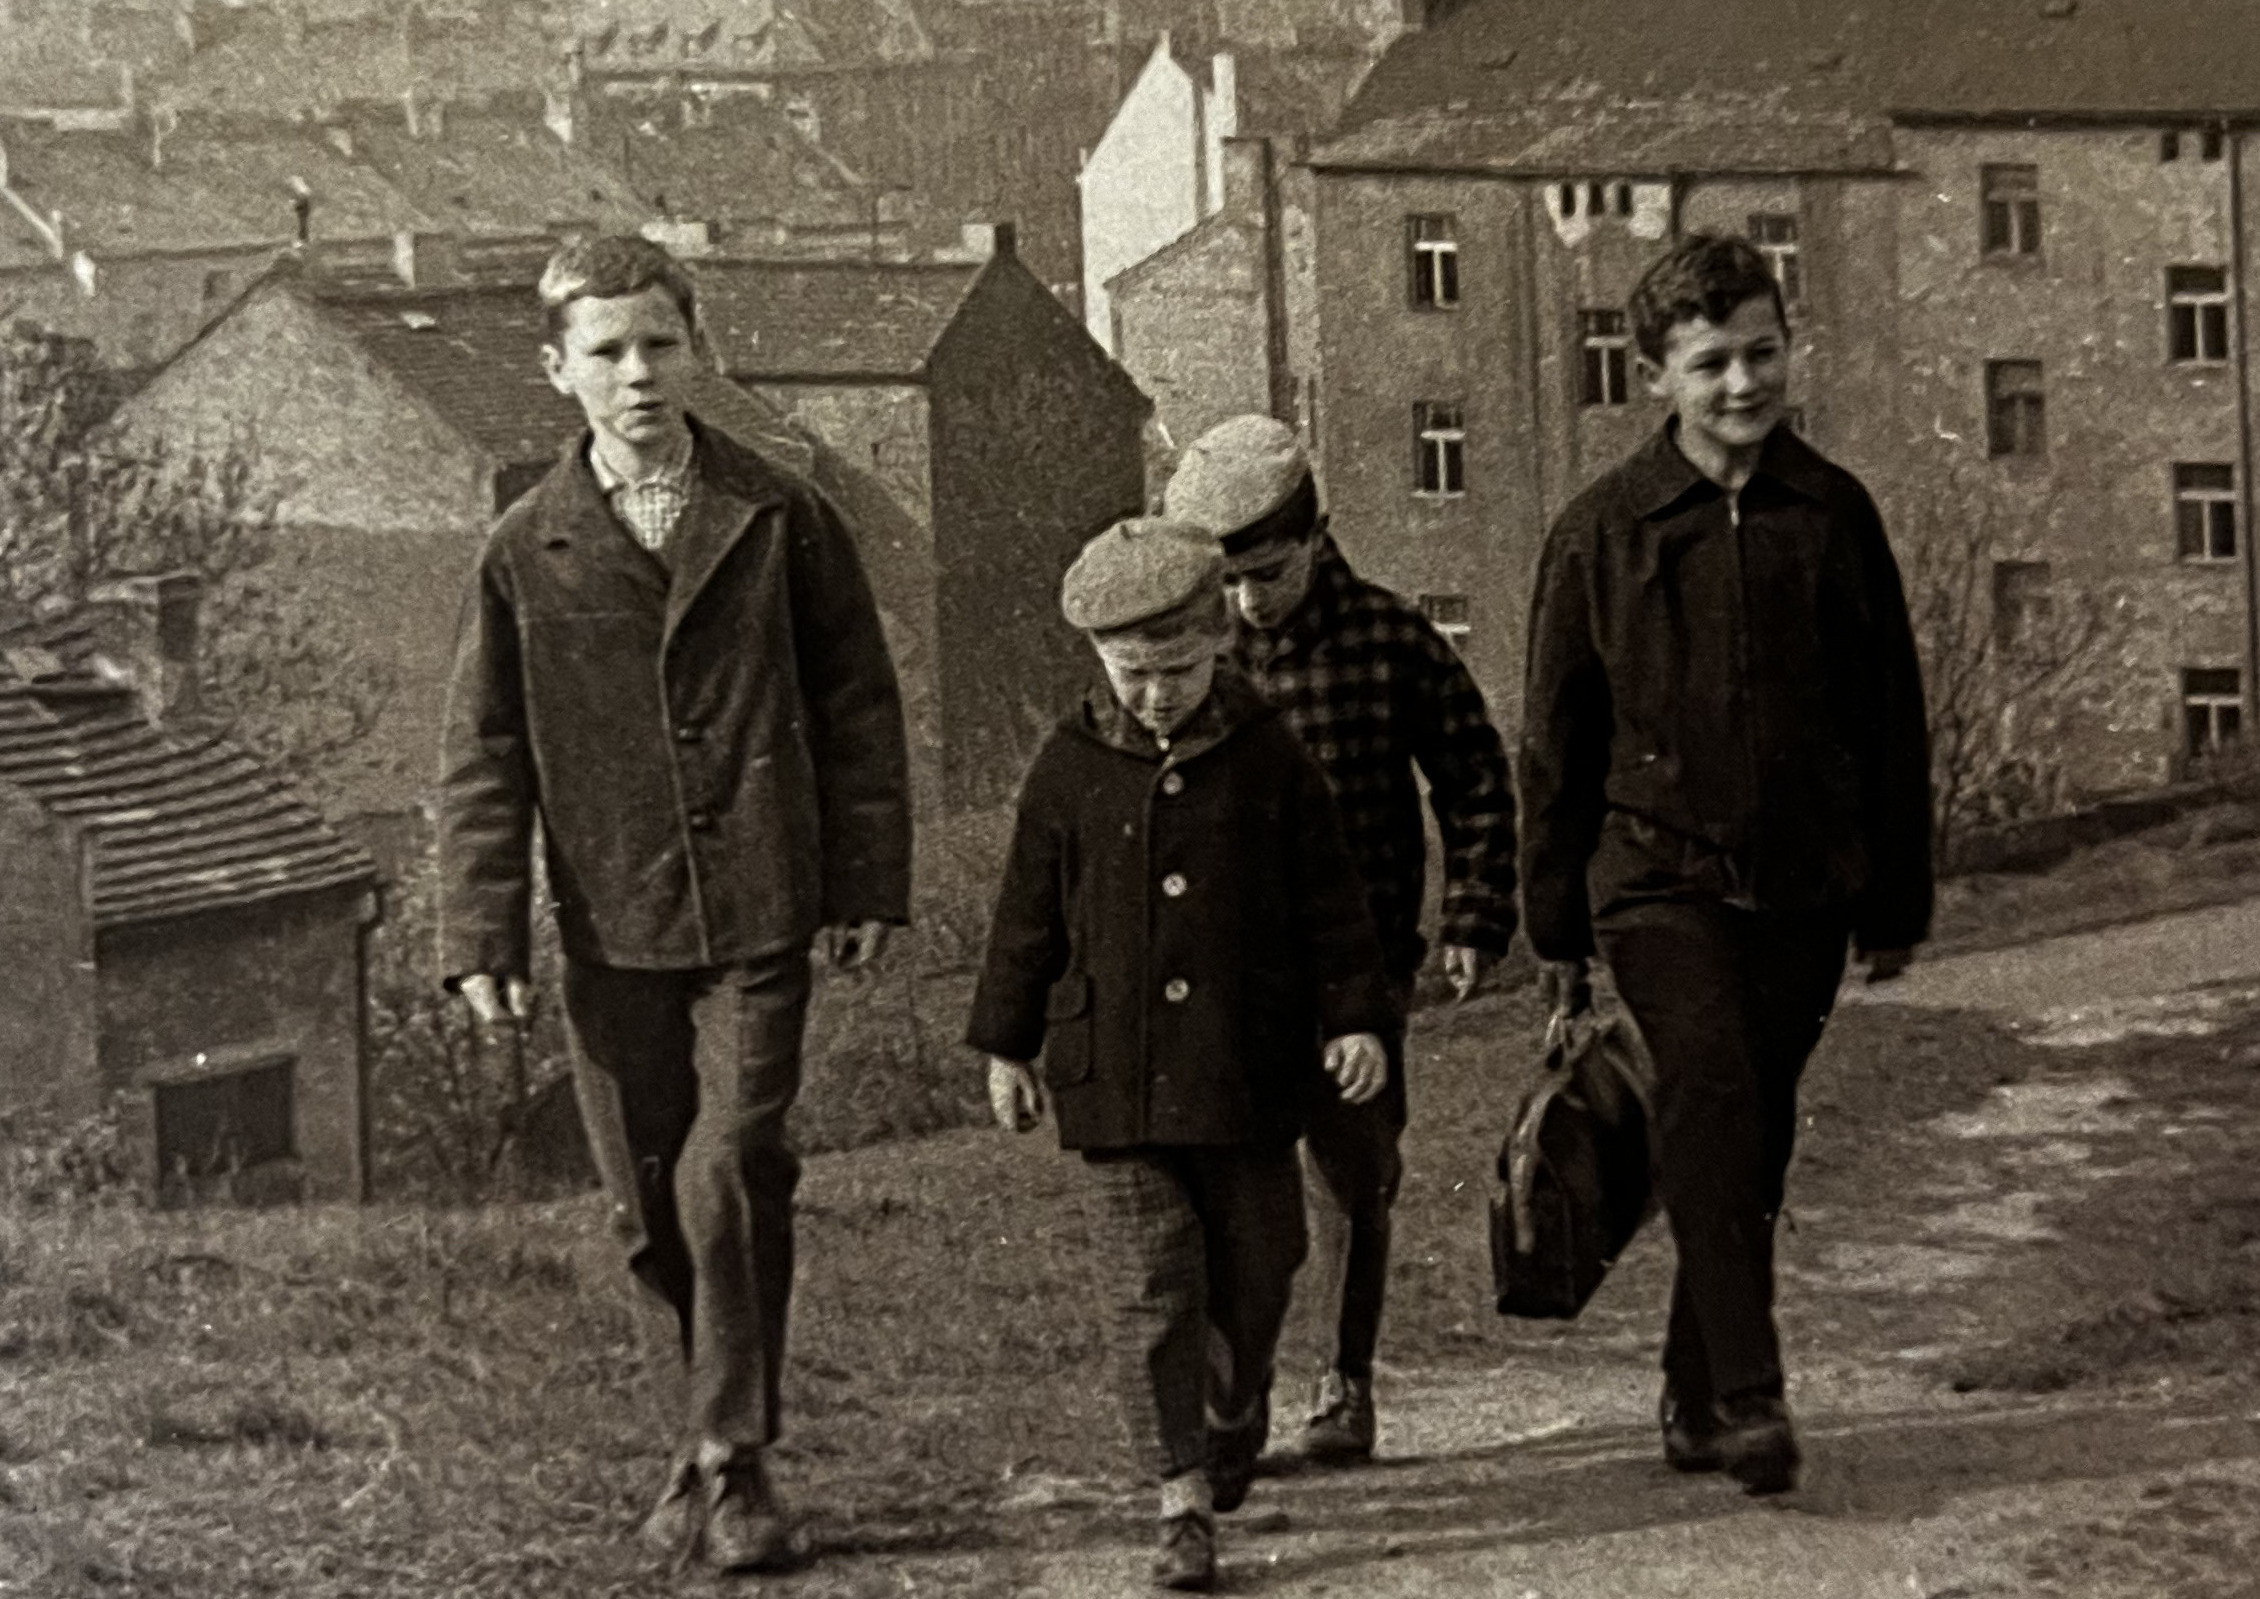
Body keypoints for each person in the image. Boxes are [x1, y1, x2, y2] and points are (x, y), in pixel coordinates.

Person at [436, 234, 911, 1571]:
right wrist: (480, 933)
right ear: (557, 371)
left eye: (660, 343)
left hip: (761, 906)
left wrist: (867, 879)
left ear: (695, 350)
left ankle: (734, 1458)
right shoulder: (524, 549)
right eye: (607, 351)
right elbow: (482, 752)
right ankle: (698, 1445)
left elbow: (858, 703)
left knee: (728, 1167)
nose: (638, 373)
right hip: (611, 922)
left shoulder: (780, 512)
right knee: (645, 1200)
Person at [1517, 233, 1933, 1494]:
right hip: (1656, 876)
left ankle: (1695, 1390)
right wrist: (1555, 931)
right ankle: (1751, 1397)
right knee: (1708, 1090)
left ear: (1789, 349)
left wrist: (1895, 895)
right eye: (1710, 364)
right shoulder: (1601, 534)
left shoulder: (1833, 514)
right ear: (1655, 375)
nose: (1742, 383)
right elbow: (1555, 744)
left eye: (1761, 353)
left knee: (1755, 1128)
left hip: (1803, 885)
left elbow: (1888, 717)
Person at [966, 517, 1396, 1592]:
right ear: (1096, 658)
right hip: (1112, 1080)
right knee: (1151, 1285)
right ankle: (1181, 1497)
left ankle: (1234, 1404)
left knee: (1264, 1261)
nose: (1156, 695)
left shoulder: (1270, 759)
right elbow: (1026, 916)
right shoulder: (1067, 768)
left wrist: (1353, 1019)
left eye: (1178, 670)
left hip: (1247, 1075)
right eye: (1133, 673)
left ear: (1218, 642)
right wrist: (1006, 1045)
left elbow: (1333, 906)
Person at [1161, 415, 1519, 1462]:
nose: (1245, 602)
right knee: (1236, 1190)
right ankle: (1236, 1400)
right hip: (1227, 973)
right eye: (1225, 582)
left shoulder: (1389, 638)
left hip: (1359, 973)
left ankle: (1342, 1382)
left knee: (1353, 1175)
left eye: (1265, 575)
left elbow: (1474, 776)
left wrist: (1474, 915)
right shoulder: (1194, 662)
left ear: (1317, 537)